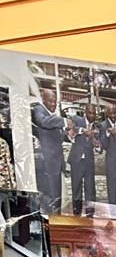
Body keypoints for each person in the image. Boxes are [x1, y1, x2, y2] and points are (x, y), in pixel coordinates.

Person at [31, 85, 65, 214]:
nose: (53, 104)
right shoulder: (38, 109)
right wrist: (64, 121)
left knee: (57, 196)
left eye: (55, 101)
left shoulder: (53, 115)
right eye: (50, 101)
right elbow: (43, 122)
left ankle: (57, 220)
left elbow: (58, 137)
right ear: (43, 100)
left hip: (55, 163)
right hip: (47, 164)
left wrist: (68, 134)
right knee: (49, 198)